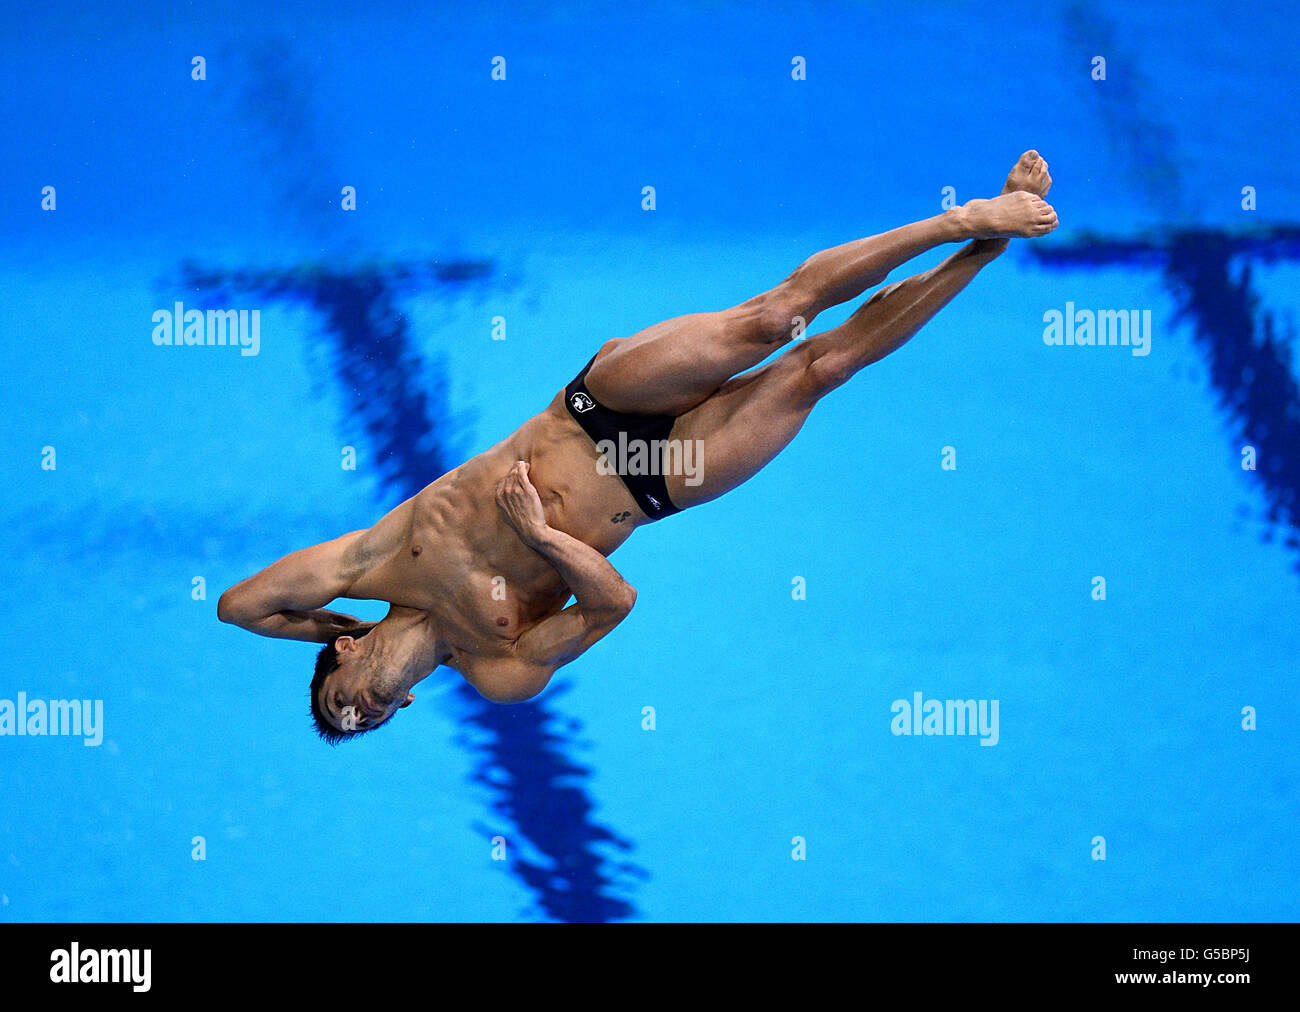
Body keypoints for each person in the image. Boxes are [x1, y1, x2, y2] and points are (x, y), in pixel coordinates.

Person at [218, 151, 1056, 743]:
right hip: (658, 482)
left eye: (340, 702)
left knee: (772, 319)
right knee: (819, 367)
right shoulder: (499, 669)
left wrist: (329, 627)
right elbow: (615, 605)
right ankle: (989, 248)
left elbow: (240, 606)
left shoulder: (375, 563)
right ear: (400, 713)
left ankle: (963, 216)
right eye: (364, 723)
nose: (360, 713)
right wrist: (546, 541)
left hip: (595, 408)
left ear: (347, 654)